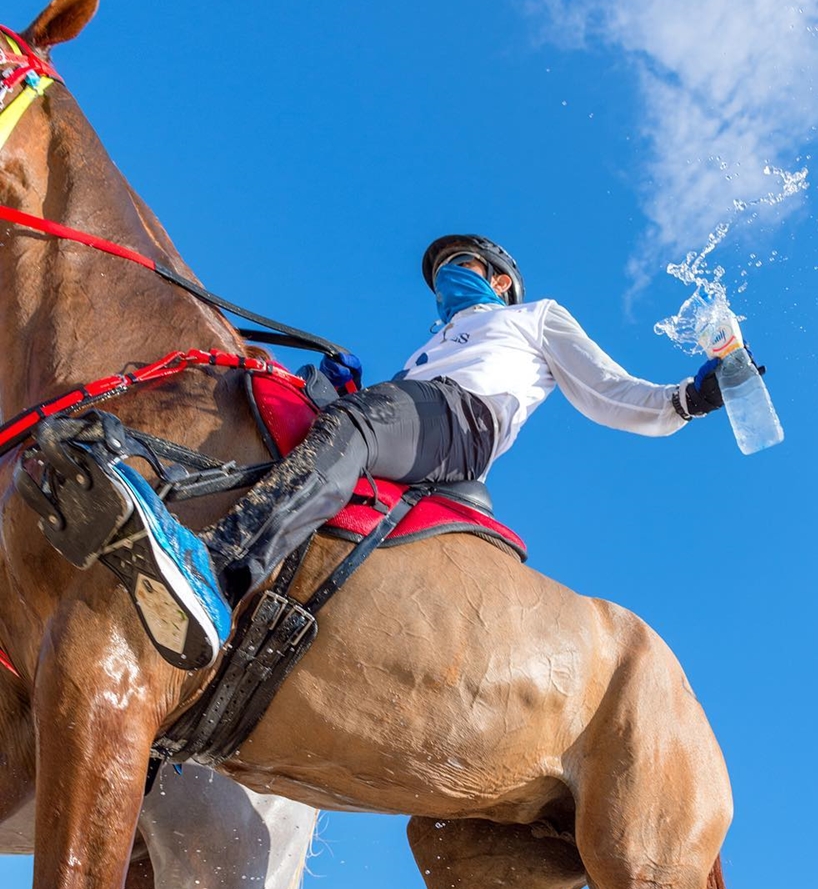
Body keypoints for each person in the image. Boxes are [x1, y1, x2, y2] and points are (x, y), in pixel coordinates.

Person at [93, 235, 729, 670]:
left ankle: (220, 569)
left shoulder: (534, 318)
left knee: (360, 422)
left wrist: (684, 400)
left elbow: (605, 388)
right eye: (444, 268)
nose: (448, 275)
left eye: (462, 264)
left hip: (465, 418)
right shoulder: (436, 342)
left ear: (501, 282)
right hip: (417, 410)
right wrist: (339, 389)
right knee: (306, 435)